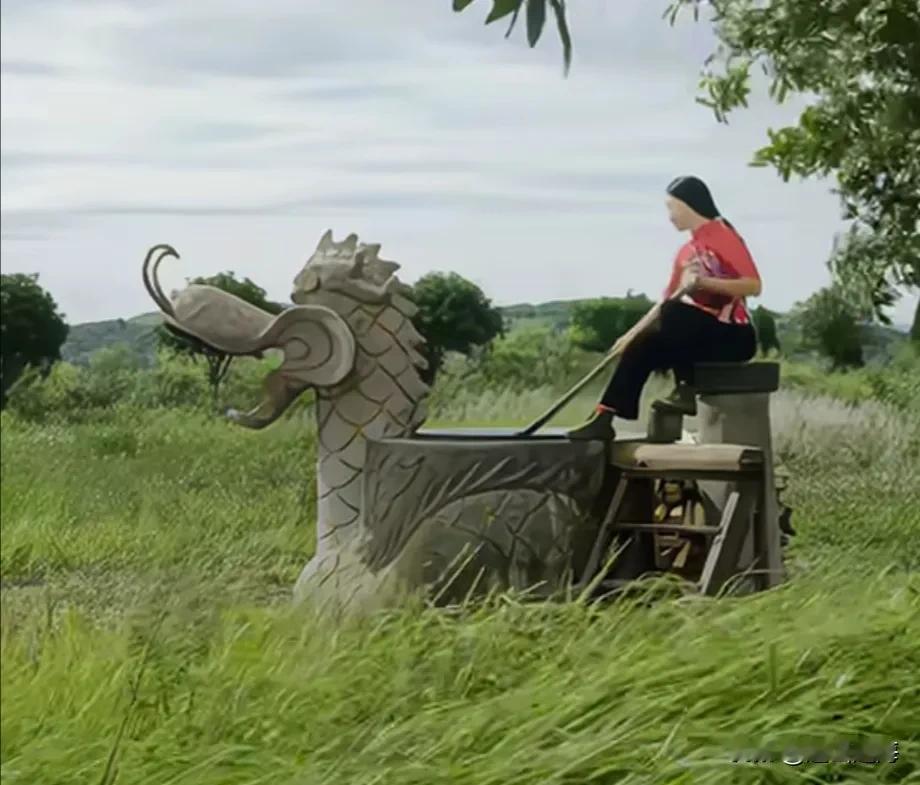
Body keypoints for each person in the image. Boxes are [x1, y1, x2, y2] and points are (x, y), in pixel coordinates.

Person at [567, 175, 762, 440]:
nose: (670, 217)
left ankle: (686, 388)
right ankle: (604, 417)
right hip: (696, 339)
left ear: (690, 204)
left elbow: (753, 285)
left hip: (734, 338)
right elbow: (666, 299)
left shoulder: (723, 236)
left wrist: (703, 283)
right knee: (642, 343)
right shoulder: (686, 252)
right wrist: (630, 335)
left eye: (672, 208)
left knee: (674, 314)